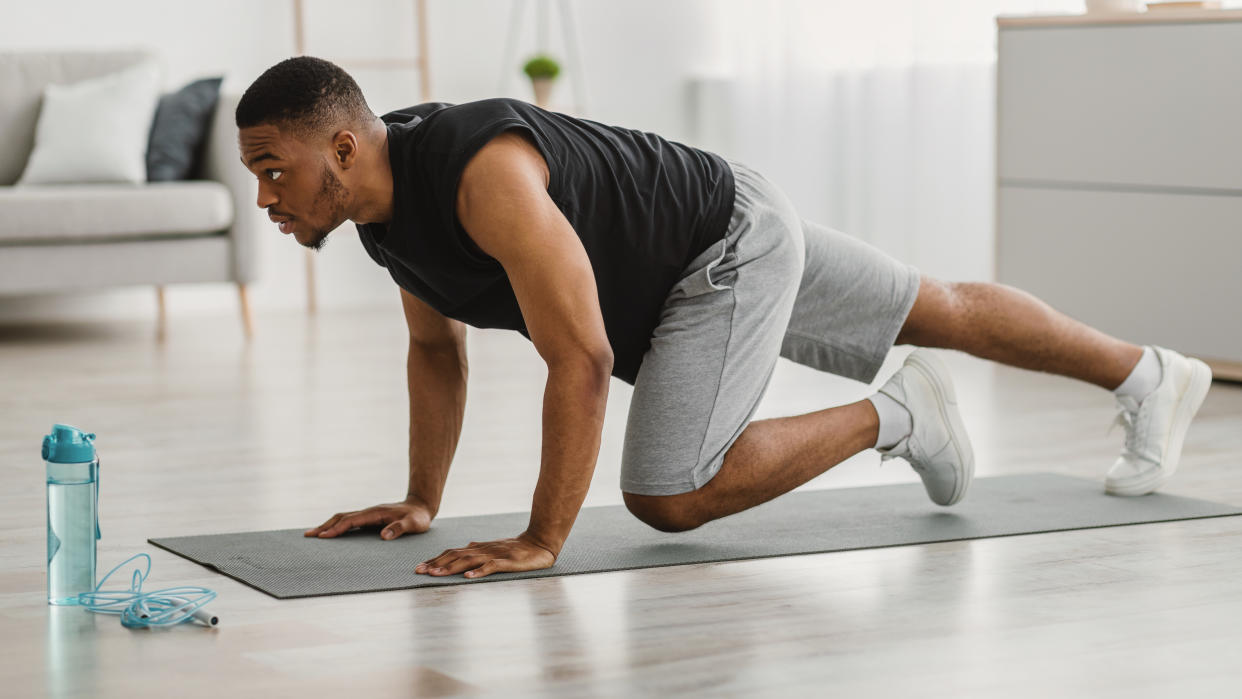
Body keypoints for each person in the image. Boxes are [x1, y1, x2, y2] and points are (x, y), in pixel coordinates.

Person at [235, 57, 1213, 580]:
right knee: (938, 305)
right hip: (724, 217)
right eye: (255, 178)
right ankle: (1149, 376)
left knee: (667, 492)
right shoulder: (385, 224)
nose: (267, 198)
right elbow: (433, 351)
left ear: (347, 147)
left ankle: (900, 413)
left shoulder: (479, 173)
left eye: (275, 170)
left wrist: (541, 537)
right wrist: (420, 500)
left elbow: (579, 357)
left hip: (721, 245)